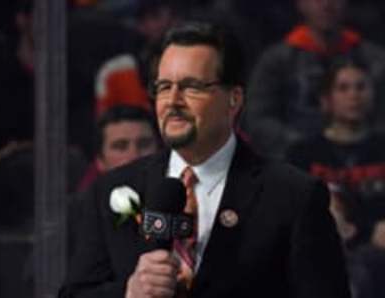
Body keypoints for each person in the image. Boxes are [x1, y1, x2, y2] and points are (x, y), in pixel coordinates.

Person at [63, 22, 350, 298]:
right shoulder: (112, 190)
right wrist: (128, 292)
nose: (173, 101)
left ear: (234, 99)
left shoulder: (293, 196)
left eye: (192, 87)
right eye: (164, 87)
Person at [241, 0, 385, 160]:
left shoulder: (374, 60)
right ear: (300, 4)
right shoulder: (276, 61)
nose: (327, 5)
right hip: (292, 161)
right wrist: (304, 147)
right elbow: (259, 119)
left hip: (366, 160)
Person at [287, 59, 385, 250]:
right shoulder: (302, 154)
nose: (354, 95)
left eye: (361, 87)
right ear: (326, 100)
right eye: (343, 88)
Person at [77, 104, 160, 191]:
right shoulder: (84, 201)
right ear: (100, 161)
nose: (134, 156)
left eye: (144, 144)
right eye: (120, 146)